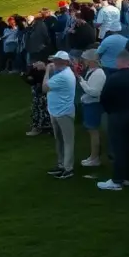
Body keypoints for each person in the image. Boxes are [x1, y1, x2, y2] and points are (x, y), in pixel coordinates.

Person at [97, 51, 129, 191]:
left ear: (118, 61)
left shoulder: (113, 78)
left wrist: (110, 110)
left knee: (118, 148)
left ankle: (117, 180)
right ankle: (128, 177)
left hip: (117, 115)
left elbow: (104, 97)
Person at [44, 51, 77, 179]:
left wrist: (47, 71)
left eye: (57, 61)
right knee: (59, 140)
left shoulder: (64, 75)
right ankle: (61, 164)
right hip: (56, 111)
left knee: (67, 141)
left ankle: (68, 168)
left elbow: (44, 87)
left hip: (64, 112)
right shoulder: (61, 73)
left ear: (64, 62)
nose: (54, 63)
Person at [78, 49, 106, 168]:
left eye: (84, 59)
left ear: (91, 61)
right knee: (91, 131)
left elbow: (94, 92)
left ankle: (95, 158)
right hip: (89, 104)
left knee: (93, 131)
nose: (83, 62)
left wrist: (81, 82)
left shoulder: (98, 73)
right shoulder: (92, 71)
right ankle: (93, 156)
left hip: (94, 105)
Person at [24, 60, 52, 137]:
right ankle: (44, 127)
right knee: (40, 108)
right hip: (39, 89)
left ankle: (38, 128)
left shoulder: (45, 70)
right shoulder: (35, 70)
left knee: (40, 108)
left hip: (42, 91)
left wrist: (44, 68)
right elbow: (28, 79)